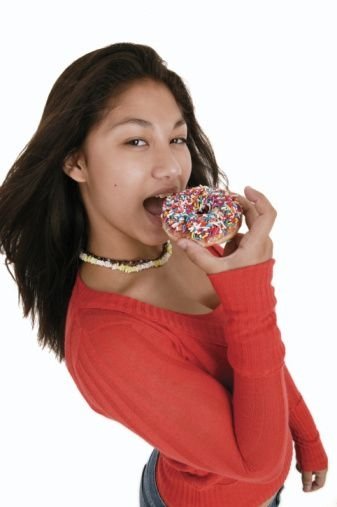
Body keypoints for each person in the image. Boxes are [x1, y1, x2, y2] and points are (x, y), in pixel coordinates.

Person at [0, 42, 328, 507]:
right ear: (76, 162)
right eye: (136, 141)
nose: (172, 167)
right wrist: (250, 290)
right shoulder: (105, 341)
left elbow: (256, 355)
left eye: (176, 138)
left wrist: (307, 436)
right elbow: (256, 462)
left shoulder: (191, 244)